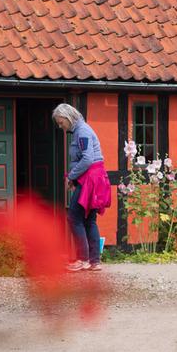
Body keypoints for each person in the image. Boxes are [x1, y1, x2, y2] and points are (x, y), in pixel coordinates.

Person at [53, 103, 111, 272]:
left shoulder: (82, 131)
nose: (60, 126)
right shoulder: (81, 130)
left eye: (60, 122)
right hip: (93, 177)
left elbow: (87, 159)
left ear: (67, 117)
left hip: (91, 179)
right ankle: (94, 261)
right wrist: (76, 178)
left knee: (74, 217)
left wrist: (71, 176)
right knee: (88, 220)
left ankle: (82, 259)